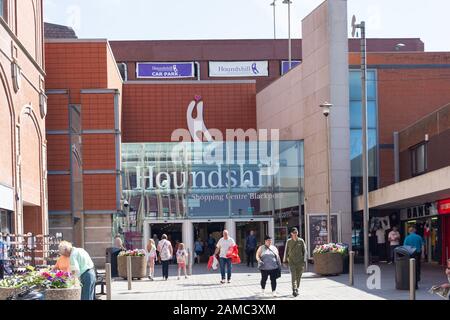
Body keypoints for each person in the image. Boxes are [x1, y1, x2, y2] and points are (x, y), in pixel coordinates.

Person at [283, 227, 307, 297]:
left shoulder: (301, 241)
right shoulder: (289, 241)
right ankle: (294, 289)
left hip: (300, 262)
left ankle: (297, 288)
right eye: (294, 233)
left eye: (296, 232)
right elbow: (286, 251)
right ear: (291, 234)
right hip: (291, 261)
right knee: (293, 275)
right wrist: (284, 261)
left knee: (299, 276)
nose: (295, 234)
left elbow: (305, 251)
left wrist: (304, 261)